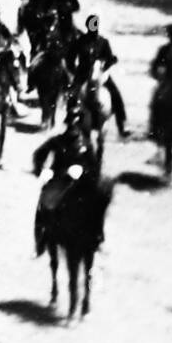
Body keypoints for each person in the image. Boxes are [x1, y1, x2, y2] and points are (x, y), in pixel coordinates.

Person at [31, 105, 103, 256]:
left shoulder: (86, 145)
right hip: (59, 181)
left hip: (80, 184)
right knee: (43, 204)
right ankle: (40, 241)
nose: (73, 129)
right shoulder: (57, 142)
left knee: (96, 204)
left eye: (76, 126)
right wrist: (43, 171)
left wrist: (83, 171)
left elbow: (95, 169)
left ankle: (97, 237)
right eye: (70, 125)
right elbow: (38, 154)